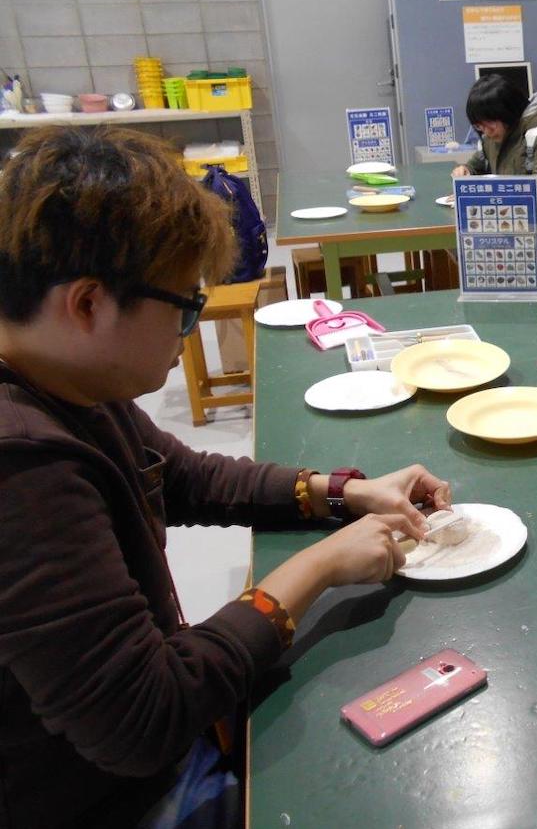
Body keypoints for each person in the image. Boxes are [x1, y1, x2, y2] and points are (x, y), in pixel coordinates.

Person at [0, 125, 453, 827]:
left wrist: (343, 492)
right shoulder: (21, 468)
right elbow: (142, 719)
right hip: (102, 800)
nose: (192, 326)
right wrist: (316, 569)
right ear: (87, 304)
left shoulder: (64, 379)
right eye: (185, 307)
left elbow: (181, 476)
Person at [451, 74, 537, 278]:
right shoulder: (495, 135)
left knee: (503, 269)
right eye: (480, 127)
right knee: (465, 252)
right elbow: (480, 161)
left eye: (489, 124)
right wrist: (466, 170)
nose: (486, 132)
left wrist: (487, 201)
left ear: (508, 113)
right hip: (516, 226)